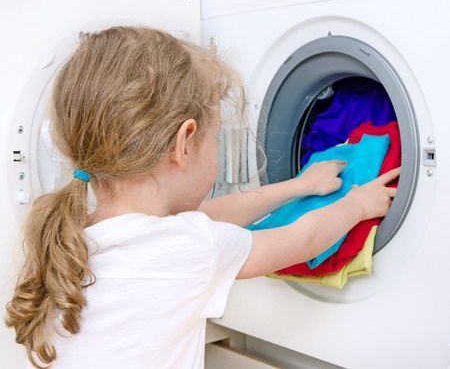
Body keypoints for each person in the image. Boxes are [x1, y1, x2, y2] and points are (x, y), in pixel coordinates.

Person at [5, 26, 399, 369]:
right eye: (216, 136)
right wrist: (358, 204)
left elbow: (212, 216)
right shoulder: (191, 249)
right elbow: (303, 241)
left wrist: (298, 186)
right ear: (185, 143)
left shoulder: (77, 235)